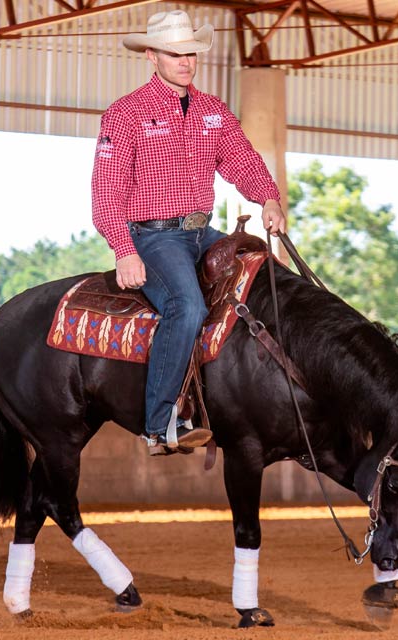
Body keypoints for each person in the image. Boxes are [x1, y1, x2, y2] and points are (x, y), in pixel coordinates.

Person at [91, 10, 286, 455]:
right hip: (155, 237)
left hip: (203, 232)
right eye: (175, 53)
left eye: (191, 53)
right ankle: (159, 425)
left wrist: (268, 199)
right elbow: (107, 188)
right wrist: (124, 249)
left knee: (265, 277)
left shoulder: (213, 111)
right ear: (152, 57)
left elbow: (242, 160)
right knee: (186, 305)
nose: (185, 61)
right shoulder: (126, 114)